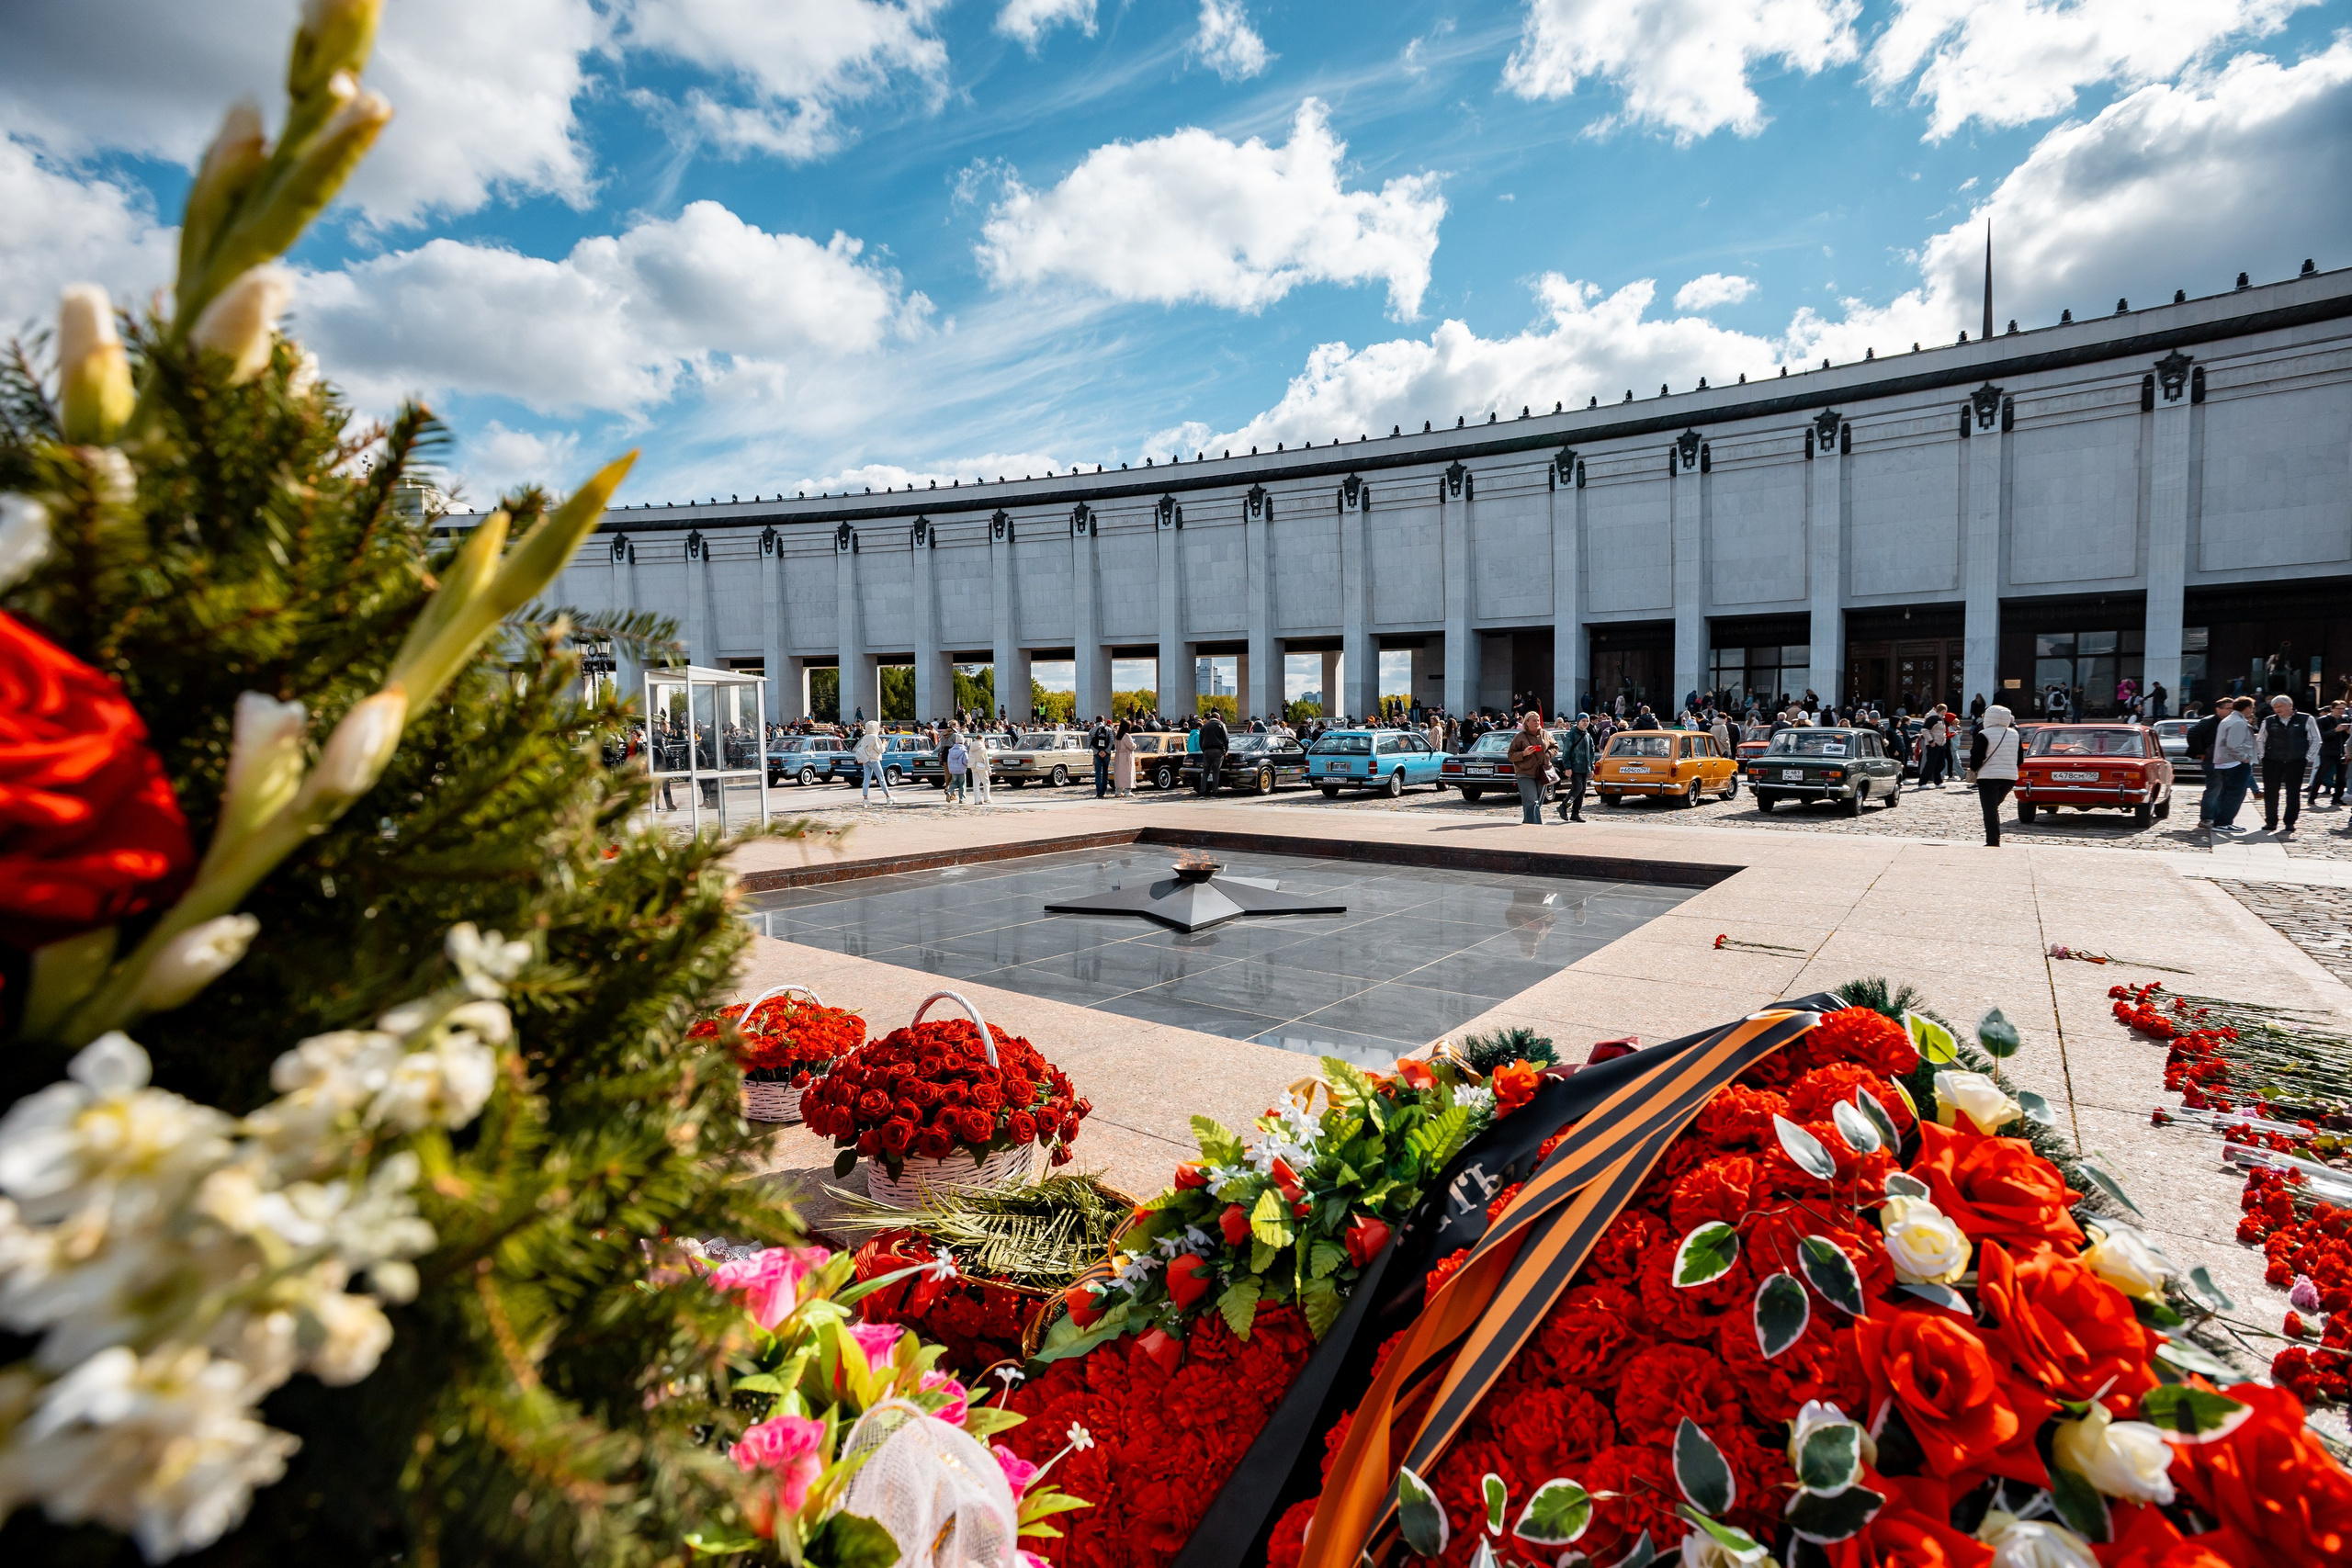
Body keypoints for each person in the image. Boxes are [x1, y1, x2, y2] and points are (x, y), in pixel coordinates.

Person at [2257, 693, 2322, 835]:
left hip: (2296, 761)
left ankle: (2290, 822)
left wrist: (2307, 758)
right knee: (2270, 792)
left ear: (2290, 706)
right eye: (2274, 707)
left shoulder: (2306, 719)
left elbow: (2315, 739)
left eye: (2280, 706)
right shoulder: (2268, 720)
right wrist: (2263, 756)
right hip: (2272, 761)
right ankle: (2271, 821)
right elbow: (2261, 740)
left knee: (2293, 793)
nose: (2277, 709)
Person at [1965, 704, 2021, 846]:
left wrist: (1973, 769)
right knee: (1994, 806)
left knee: (1989, 809)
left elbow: (1976, 756)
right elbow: (2020, 759)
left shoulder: (1984, 734)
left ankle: (1993, 840)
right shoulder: (2015, 734)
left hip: (1988, 777)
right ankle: (1994, 838)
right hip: (2009, 777)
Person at [2203, 697, 2260, 838]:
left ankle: (2221, 821)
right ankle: (2224, 822)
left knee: (2226, 793)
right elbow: (2233, 745)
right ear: (2247, 708)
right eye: (2252, 708)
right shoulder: (2238, 722)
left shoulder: (2228, 720)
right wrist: (2243, 758)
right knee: (2235, 794)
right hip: (2235, 763)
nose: (2252, 711)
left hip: (2225, 762)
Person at [1507, 710, 1552, 825]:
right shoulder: (1519, 737)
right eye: (1534, 721)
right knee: (1531, 801)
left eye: (1538, 720)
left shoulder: (1545, 734)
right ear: (1526, 723)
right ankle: (1535, 824)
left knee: (1538, 802)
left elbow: (1555, 747)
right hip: (1525, 773)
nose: (1537, 723)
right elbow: (1510, 755)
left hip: (1541, 772)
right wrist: (1523, 754)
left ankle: (1528, 822)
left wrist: (1548, 754)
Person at [1557, 714, 1597, 821]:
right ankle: (1564, 806)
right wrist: (1568, 767)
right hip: (1575, 767)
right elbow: (1566, 752)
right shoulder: (1572, 734)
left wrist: (1591, 767)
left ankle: (1575, 812)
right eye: (1583, 721)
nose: (1585, 723)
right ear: (1578, 722)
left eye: (1587, 721)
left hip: (1584, 767)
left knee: (1582, 790)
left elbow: (1591, 753)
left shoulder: (1587, 735)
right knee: (1577, 788)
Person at [2309, 699, 2346, 810]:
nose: (2341, 711)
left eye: (2343, 709)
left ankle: (2337, 798)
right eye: (2338, 709)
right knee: (2321, 774)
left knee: (2341, 777)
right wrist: (2335, 730)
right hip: (2328, 751)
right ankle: (2312, 796)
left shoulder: (2346, 719)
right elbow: (2321, 736)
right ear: (2332, 709)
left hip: (2342, 752)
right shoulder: (2323, 721)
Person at [854, 719, 892, 804]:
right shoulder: (875, 738)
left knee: (866, 779)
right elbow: (880, 750)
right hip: (874, 759)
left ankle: (865, 798)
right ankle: (888, 797)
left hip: (866, 760)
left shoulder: (864, 737)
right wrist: (884, 744)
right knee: (881, 778)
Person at [1197, 710, 1229, 796]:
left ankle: (1202, 791)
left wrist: (1203, 750)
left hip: (1207, 751)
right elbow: (1226, 739)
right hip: (1218, 751)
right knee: (1216, 771)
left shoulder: (1204, 726)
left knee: (1205, 771)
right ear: (1219, 718)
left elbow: (1200, 740)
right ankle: (1214, 791)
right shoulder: (1221, 725)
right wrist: (1225, 750)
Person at [1918, 707, 1950, 789]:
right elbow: (1924, 730)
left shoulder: (1941, 719)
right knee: (1930, 764)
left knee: (1941, 764)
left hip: (1941, 744)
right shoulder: (1933, 718)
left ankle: (1938, 781)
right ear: (1943, 710)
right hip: (1934, 744)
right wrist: (1931, 741)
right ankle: (1922, 782)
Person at [1090, 715, 1114, 798]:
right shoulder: (1108, 729)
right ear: (1103, 720)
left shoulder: (1092, 730)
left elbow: (1090, 743)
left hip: (1097, 754)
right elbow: (1111, 741)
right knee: (1105, 772)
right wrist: (1106, 751)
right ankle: (1104, 791)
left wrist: (1097, 751)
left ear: (1096, 721)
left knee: (1097, 772)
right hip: (1106, 753)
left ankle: (1099, 792)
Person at [944, 728, 969, 806]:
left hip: (953, 770)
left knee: (954, 782)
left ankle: (949, 791)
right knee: (962, 784)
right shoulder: (963, 751)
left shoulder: (951, 750)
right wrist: (967, 765)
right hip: (961, 769)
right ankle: (962, 799)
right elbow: (966, 761)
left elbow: (949, 761)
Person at [1113, 721, 1136, 796]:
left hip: (1118, 755)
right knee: (1127, 772)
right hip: (1126, 756)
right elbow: (1131, 746)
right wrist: (1136, 745)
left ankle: (1118, 791)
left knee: (1119, 773)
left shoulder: (1118, 735)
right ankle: (1127, 791)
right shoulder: (1126, 736)